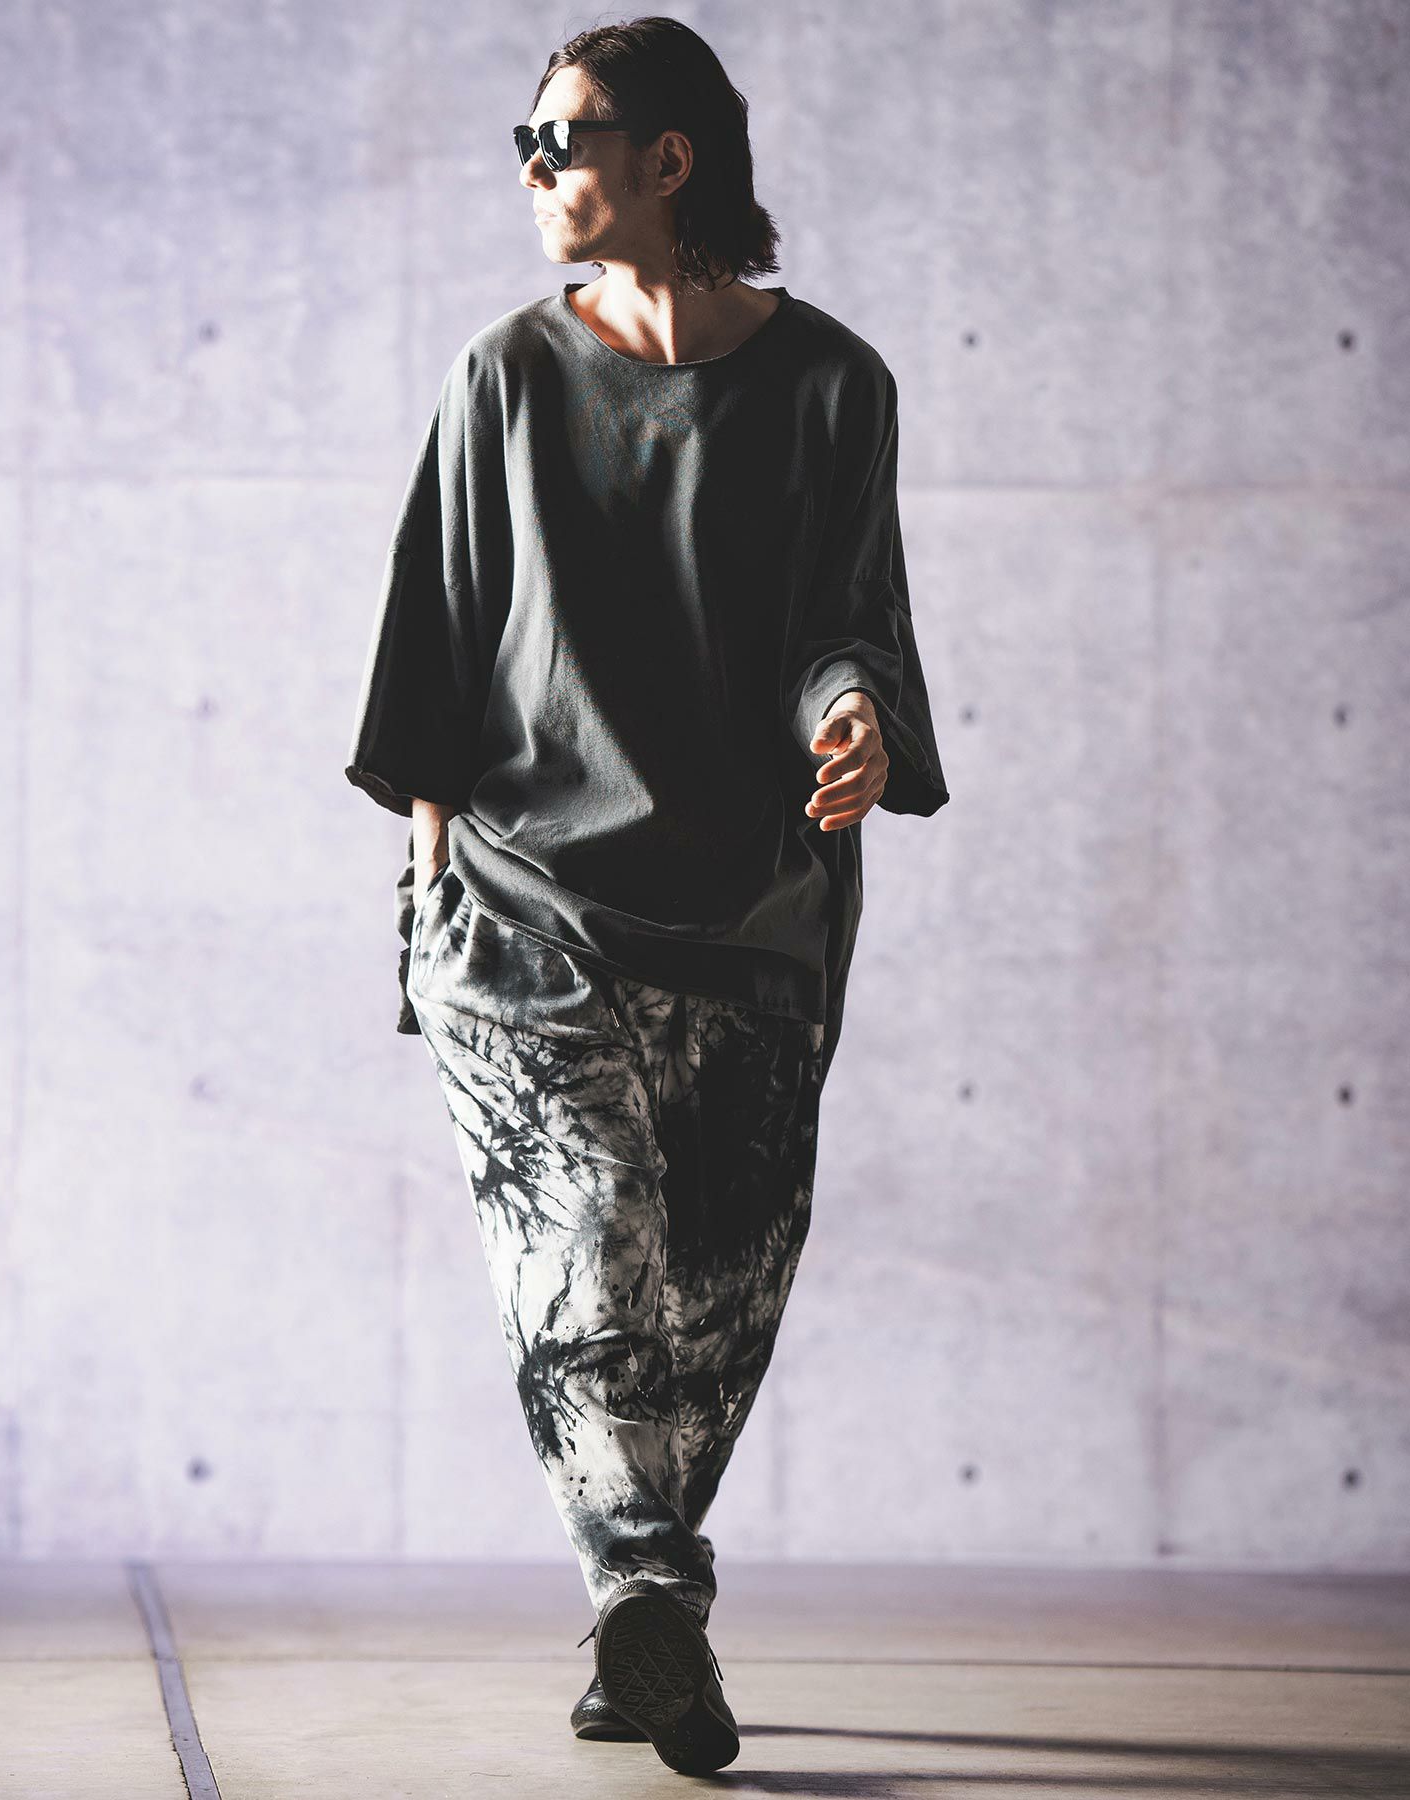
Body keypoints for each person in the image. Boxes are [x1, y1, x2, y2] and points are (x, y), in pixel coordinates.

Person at [345, 16, 949, 1777]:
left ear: (667, 159)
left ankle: (639, 1643)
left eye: (563, 138)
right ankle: (646, 1584)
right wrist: (427, 909)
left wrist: (853, 715)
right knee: (586, 1254)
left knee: (715, 1310)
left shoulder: (833, 386)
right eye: (525, 142)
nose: (535, 170)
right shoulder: (502, 379)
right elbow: (437, 655)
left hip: (757, 922)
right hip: (526, 912)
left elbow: (849, 618)